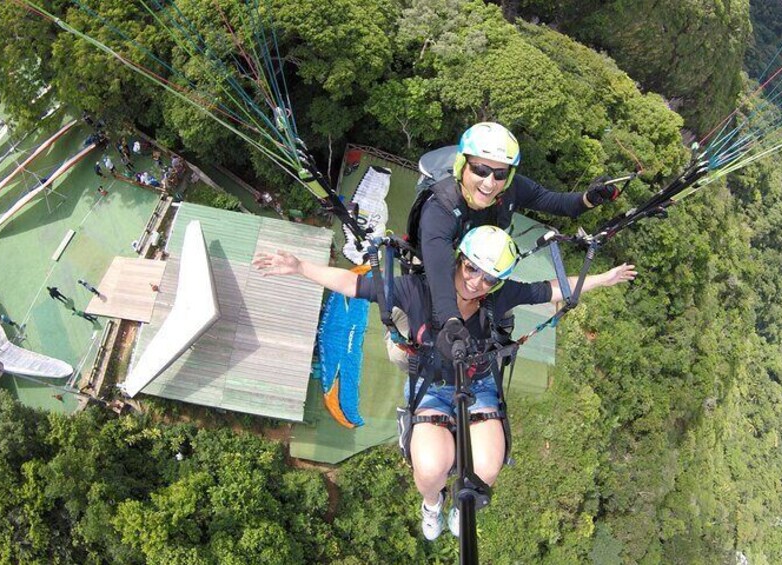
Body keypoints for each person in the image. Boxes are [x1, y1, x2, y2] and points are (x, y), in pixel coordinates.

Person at [253, 225, 636, 541]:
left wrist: (602, 278)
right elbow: (357, 287)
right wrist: (301, 266)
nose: (477, 282)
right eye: (471, 269)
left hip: (478, 384)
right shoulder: (417, 290)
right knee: (432, 466)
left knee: (487, 468)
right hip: (430, 387)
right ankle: (433, 504)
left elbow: (551, 289)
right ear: (459, 261)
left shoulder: (497, 297)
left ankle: (460, 505)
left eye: (489, 278)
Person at [415, 122, 620, 362]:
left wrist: (589, 199)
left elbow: (555, 202)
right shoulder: (441, 209)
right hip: (436, 276)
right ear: (462, 166)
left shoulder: (510, 189)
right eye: (480, 170)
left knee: (498, 316)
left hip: (485, 278)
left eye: (500, 174)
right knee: (422, 336)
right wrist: (451, 320)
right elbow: (439, 273)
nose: (489, 183)